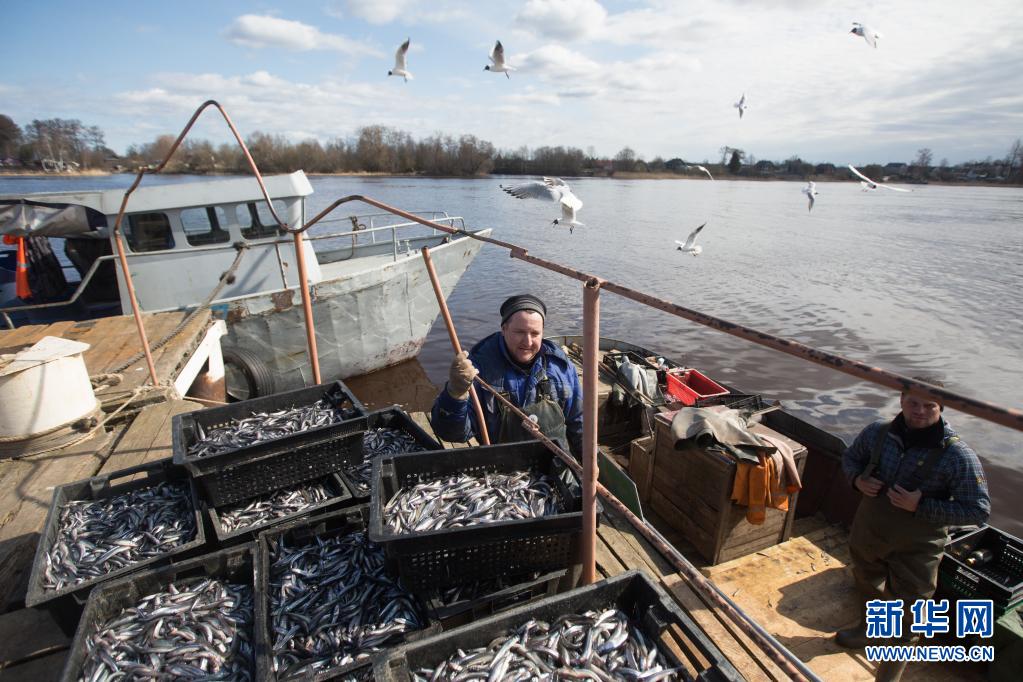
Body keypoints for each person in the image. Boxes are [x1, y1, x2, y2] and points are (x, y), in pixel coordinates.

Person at [836, 377, 990, 681]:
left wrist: (921, 506)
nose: (919, 410)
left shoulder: (958, 456)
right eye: (913, 403)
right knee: (866, 579)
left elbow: (978, 511)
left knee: (910, 616)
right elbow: (850, 458)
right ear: (902, 400)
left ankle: (888, 675)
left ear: (941, 407)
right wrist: (857, 480)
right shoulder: (878, 433)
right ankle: (870, 629)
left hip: (918, 547)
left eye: (929, 405)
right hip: (869, 532)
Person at [431, 294, 584, 456]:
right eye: (519, 332)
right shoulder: (480, 369)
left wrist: (588, 461)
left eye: (535, 333)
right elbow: (452, 434)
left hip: (556, 461)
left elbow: (578, 421)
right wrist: (455, 394)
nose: (527, 342)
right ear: (504, 330)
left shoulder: (560, 366)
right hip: (503, 469)